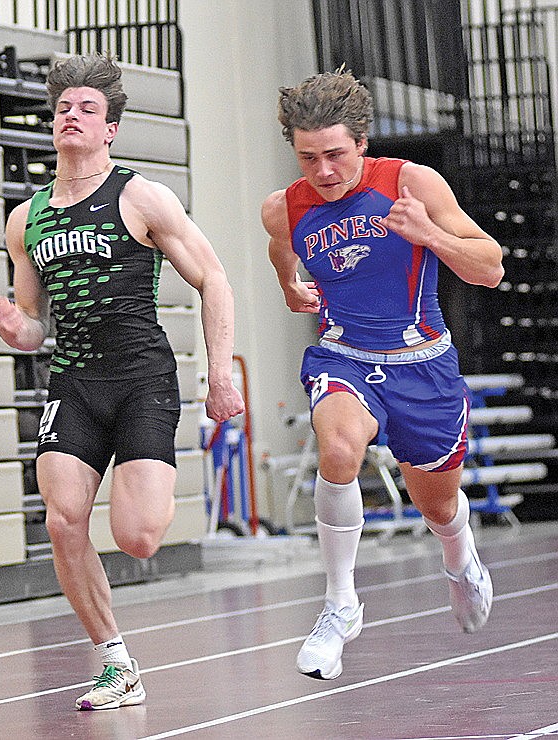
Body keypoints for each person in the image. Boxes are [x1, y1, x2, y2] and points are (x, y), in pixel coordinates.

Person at [0, 54, 244, 710]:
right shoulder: (28, 219)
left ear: (111, 130)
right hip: (73, 380)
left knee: (138, 537)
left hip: (140, 379)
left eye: (87, 110)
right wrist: (16, 329)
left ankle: (144, 473)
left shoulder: (140, 197)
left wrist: (219, 373)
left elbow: (214, 277)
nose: (72, 117)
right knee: (64, 518)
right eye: (64, 109)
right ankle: (115, 661)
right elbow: (36, 328)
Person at [261, 69, 503, 681]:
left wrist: (429, 234)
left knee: (438, 505)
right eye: (308, 157)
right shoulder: (285, 207)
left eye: (336, 154)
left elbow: (491, 267)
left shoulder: (410, 182)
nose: (322, 171)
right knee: (337, 446)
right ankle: (340, 605)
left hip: (422, 364)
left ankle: (458, 552)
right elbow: (283, 252)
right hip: (344, 356)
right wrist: (291, 286)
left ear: (362, 143)